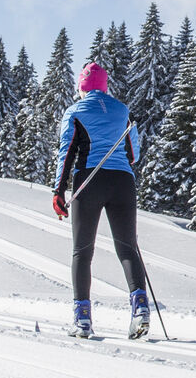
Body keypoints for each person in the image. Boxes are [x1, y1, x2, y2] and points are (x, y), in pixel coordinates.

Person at [53, 63, 152, 339]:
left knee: (82, 252)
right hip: (122, 182)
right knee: (128, 249)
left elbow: (67, 152)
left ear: (82, 86)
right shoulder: (122, 110)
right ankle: (140, 310)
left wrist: (58, 192)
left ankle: (82, 319)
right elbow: (133, 154)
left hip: (89, 180)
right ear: (104, 86)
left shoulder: (75, 111)